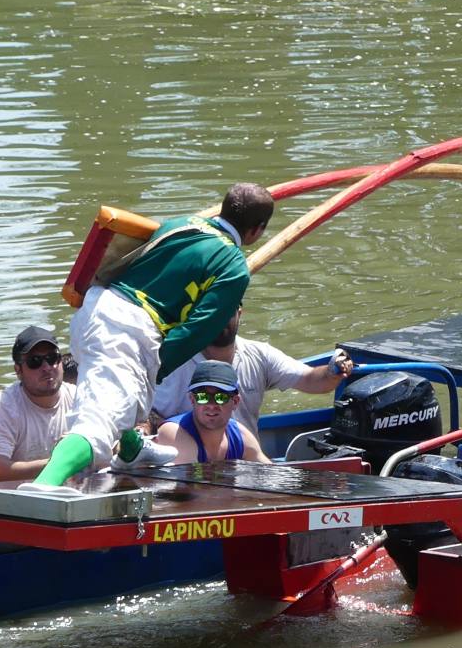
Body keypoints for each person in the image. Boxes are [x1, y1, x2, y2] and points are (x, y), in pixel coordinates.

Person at [34, 183, 275, 486]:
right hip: (127, 329)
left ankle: (132, 449)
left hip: (97, 305)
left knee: (129, 400)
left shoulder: (180, 224)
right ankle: (43, 486)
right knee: (98, 423)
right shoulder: (233, 266)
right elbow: (198, 330)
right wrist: (158, 367)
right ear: (257, 230)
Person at [148, 307, 354, 430]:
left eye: (225, 312)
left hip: (242, 461)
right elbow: (143, 415)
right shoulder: (169, 360)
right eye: (212, 314)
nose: (218, 320)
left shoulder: (260, 355)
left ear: (239, 313)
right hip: (182, 463)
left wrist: (332, 372)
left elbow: (310, 378)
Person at [0, 325, 76, 481]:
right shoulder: (4, 406)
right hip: (20, 494)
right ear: (18, 371)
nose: (47, 367)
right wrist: (61, 463)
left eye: (52, 358)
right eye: (35, 362)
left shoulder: (79, 396)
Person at [153, 360, 269, 465]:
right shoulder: (174, 434)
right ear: (192, 400)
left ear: (235, 401)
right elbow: (188, 482)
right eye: (203, 397)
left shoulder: (241, 437)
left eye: (221, 397)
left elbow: (269, 473)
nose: (211, 405)